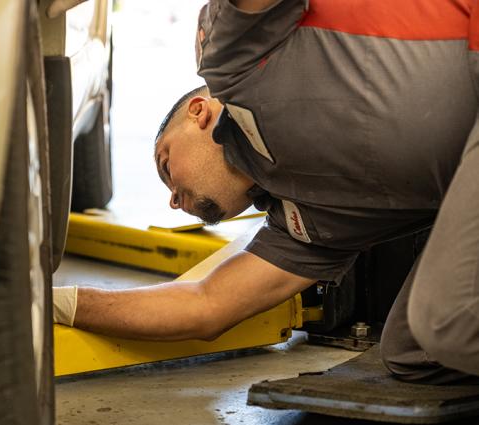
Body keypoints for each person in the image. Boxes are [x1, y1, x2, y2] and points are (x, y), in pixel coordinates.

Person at [53, 0, 479, 384]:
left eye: (167, 166)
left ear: (199, 113)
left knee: (444, 322)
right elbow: (205, 305)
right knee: (414, 351)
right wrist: (54, 303)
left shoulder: (231, 60)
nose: (173, 200)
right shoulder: (305, 227)